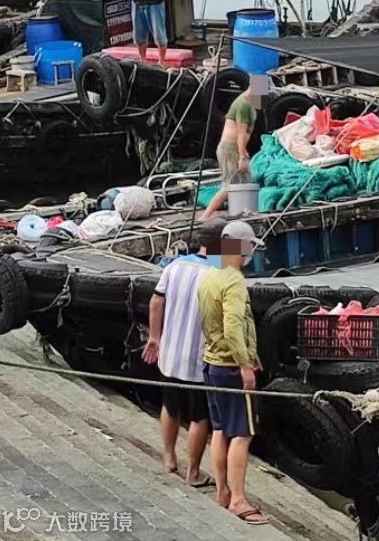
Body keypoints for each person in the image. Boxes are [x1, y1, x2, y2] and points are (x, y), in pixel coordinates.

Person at [142, 218, 224, 487]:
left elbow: (156, 301)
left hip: (170, 351)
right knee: (200, 416)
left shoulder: (174, 266)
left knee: (170, 405)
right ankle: (194, 473)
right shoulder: (219, 274)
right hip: (198, 356)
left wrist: (154, 337)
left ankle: (169, 457)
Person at [197, 220, 268, 524]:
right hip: (230, 368)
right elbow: (233, 325)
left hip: (212, 362)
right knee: (242, 433)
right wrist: (244, 364)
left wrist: (252, 355)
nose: (251, 252)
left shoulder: (210, 273)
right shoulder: (234, 280)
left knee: (219, 430)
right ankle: (238, 500)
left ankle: (222, 492)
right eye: (249, 246)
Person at [201, 76, 266, 221]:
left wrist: (243, 152)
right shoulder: (243, 105)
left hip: (237, 148)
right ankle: (205, 216)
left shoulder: (250, 105)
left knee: (248, 182)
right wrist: (241, 156)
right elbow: (241, 133)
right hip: (230, 148)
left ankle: (245, 212)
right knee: (230, 185)